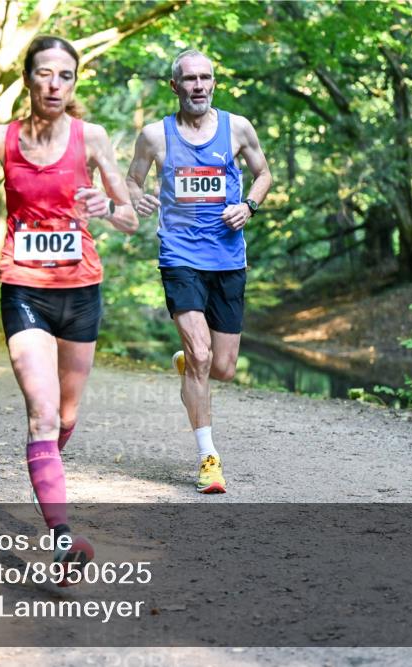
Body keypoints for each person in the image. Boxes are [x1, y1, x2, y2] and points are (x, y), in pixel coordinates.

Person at [0, 35, 137, 584]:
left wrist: (109, 207)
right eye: (45, 74)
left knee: (67, 418)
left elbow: (127, 215)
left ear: (74, 83)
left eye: (66, 76)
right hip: (23, 288)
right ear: (27, 79)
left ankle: (43, 466)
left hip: (81, 291)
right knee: (44, 414)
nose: (55, 85)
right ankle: (61, 542)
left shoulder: (93, 138)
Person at [126, 49, 272, 494]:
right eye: (189, 79)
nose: (198, 86)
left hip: (228, 260)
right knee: (203, 356)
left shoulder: (238, 128)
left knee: (222, 368)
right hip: (180, 257)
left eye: (205, 77)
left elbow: (263, 174)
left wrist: (248, 206)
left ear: (214, 83)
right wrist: (136, 198)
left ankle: (188, 363)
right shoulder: (155, 136)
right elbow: (132, 180)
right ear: (175, 86)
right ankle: (209, 459)